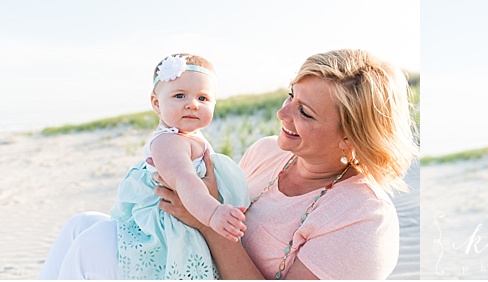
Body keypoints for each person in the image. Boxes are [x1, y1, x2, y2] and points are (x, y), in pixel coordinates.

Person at [38, 49, 417, 280]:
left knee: (93, 247)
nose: (282, 112)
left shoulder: (363, 219)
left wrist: (206, 220)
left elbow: (206, 211)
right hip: (187, 262)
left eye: (304, 111)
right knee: (83, 224)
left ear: (352, 135)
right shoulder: (269, 152)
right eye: (290, 95)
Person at [39, 53, 250, 279]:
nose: (192, 104)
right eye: (180, 95)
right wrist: (213, 212)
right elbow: (184, 179)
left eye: (203, 99)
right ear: (156, 103)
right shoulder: (169, 142)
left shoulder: (190, 137)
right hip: (168, 234)